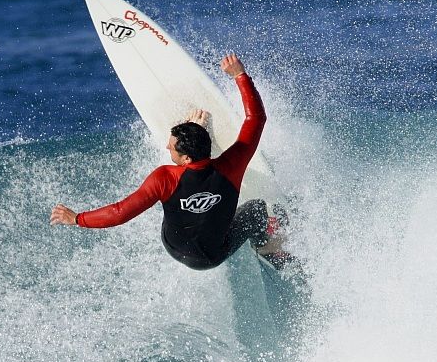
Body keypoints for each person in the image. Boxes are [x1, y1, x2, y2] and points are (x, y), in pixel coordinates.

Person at [50, 53, 292, 270]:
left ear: (185, 158)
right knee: (258, 209)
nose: (167, 147)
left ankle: (196, 131)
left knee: (179, 192)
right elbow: (256, 119)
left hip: (175, 247)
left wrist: (77, 219)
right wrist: (240, 75)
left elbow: (120, 212)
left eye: (172, 146)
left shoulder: (165, 177)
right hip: (214, 254)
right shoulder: (232, 164)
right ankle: (267, 249)